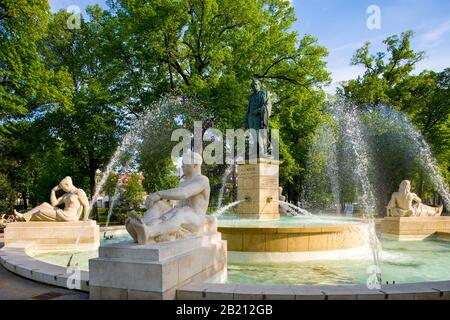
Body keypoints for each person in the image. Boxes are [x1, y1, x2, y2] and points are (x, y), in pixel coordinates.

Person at [126, 151, 210, 244]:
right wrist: (161, 201)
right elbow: (175, 201)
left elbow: (184, 193)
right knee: (160, 205)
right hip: (181, 213)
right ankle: (141, 226)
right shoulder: (182, 183)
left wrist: (159, 194)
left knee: (180, 213)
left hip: (196, 219)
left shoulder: (202, 180)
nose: (182, 166)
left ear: (195, 165)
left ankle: (149, 232)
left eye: (185, 163)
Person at [13, 176, 90, 222]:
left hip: (69, 216)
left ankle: (23, 218)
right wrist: (53, 191)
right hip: (63, 213)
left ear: (67, 185)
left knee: (41, 212)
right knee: (44, 204)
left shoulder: (79, 192)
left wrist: (85, 219)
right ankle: (23, 216)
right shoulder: (66, 195)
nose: (62, 190)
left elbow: (86, 205)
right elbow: (54, 203)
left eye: (63, 188)